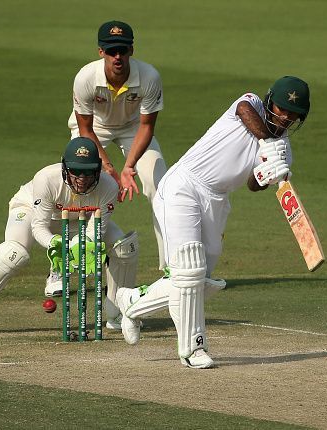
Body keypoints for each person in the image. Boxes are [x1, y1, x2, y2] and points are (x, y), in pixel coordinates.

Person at [115, 76, 311, 368]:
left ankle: (132, 303)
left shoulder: (282, 150)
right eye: (282, 109)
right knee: (190, 270)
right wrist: (267, 142)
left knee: (197, 280)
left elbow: (252, 185)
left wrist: (267, 175)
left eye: (293, 114)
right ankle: (193, 349)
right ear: (270, 102)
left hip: (217, 201)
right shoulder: (250, 104)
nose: (285, 117)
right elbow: (245, 109)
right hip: (184, 185)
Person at [0, 137, 139, 335]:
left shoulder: (109, 186)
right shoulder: (47, 178)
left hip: (79, 219)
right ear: (65, 167)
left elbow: (96, 230)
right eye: (75, 171)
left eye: (88, 171)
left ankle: (118, 314)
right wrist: (55, 243)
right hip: (31, 211)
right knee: (12, 253)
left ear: (98, 169)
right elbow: (39, 226)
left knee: (123, 247)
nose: (81, 178)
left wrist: (81, 245)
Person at [68, 20, 167, 270]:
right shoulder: (85, 78)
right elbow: (85, 129)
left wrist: (128, 167)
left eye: (122, 50)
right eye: (111, 51)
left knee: (160, 186)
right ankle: (64, 266)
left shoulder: (149, 77)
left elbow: (146, 127)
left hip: (134, 128)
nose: (118, 56)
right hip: (95, 128)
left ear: (131, 50)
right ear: (101, 51)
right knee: (78, 184)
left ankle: (171, 267)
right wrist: (108, 166)